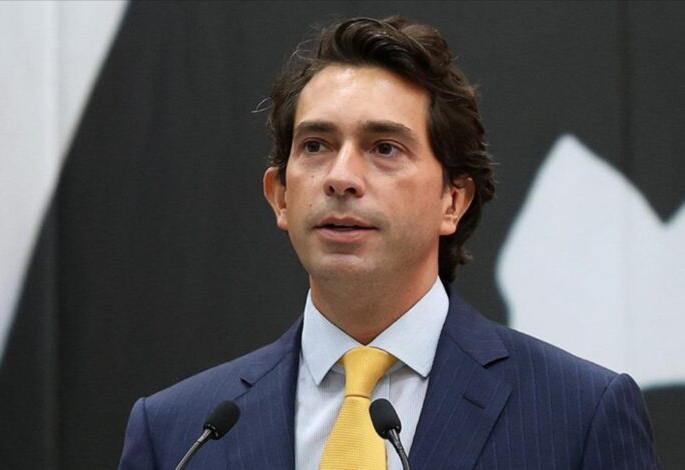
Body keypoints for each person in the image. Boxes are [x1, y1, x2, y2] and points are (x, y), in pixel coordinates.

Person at [119, 16, 660, 469]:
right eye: (315, 145)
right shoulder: (179, 434)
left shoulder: (578, 417)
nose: (341, 177)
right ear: (280, 196)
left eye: (384, 147)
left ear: (453, 199)